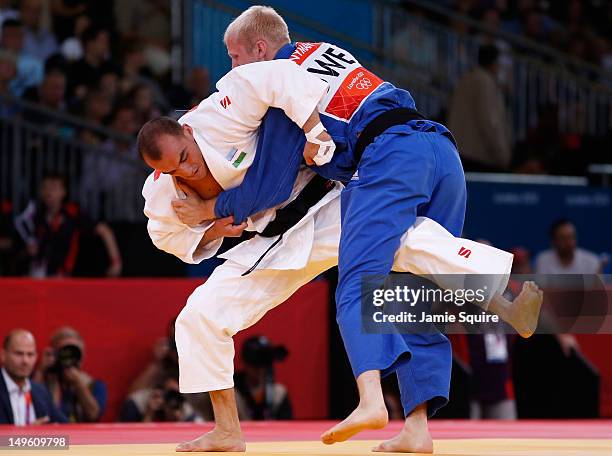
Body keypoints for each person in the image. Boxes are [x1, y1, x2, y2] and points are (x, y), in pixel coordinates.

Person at [139, 63, 539, 456]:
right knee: (199, 315)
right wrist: (210, 231)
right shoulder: (162, 191)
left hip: (326, 206)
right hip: (269, 243)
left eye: (186, 157)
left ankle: (504, 303)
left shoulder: (220, 112)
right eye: (173, 170)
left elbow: (284, 77)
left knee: (407, 242)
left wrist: (314, 132)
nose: (187, 170)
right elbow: (162, 235)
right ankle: (226, 429)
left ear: (188, 130)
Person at [13, 173, 122, 277]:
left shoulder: (72, 213)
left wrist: (116, 262)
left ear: (63, 192)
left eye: (54, 188)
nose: (48, 192)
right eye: (45, 188)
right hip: (36, 277)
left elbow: (105, 231)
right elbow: (21, 251)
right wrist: (28, 251)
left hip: (63, 278)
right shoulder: (35, 216)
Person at [447, 44, 511, 171]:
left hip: (459, 151)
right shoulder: (485, 81)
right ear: (494, 63)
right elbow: (488, 120)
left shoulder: (466, 77)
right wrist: (501, 155)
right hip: (478, 155)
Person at [33, 327, 106, 423]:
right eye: (64, 352)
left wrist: (78, 382)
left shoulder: (94, 385)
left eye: (74, 352)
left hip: (83, 436)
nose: (68, 357)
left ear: (82, 356)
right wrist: (40, 370)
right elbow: (31, 407)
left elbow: (93, 415)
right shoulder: (42, 381)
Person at [0, 329, 67, 424]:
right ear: (3, 355)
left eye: (30, 354)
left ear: (36, 357)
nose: (25, 361)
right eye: (18, 354)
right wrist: (28, 434)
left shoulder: (40, 392)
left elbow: (65, 426)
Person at [234, 336, 292, 420]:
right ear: (245, 362)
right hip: (241, 431)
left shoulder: (278, 393)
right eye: (255, 364)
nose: (260, 369)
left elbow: (288, 426)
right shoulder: (234, 391)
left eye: (264, 364)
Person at [535, 219, 603, 274]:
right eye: (563, 238)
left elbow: (597, 290)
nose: (569, 242)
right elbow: (541, 288)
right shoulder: (543, 260)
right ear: (553, 241)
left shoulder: (591, 261)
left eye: (571, 237)